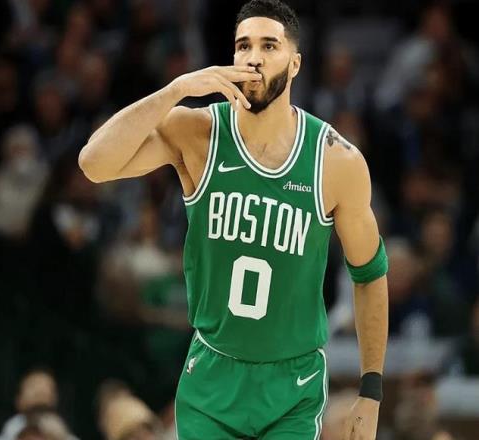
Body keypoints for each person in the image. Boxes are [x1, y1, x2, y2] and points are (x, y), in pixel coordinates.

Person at [78, 1, 389, 438]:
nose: (253, 57)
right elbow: (94, 163)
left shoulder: (336, 160)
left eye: (269, 45)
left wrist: (371, 391)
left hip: (292, 386)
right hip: (212, 377)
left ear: (295, 63)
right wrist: (175, 90)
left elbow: (369, 274)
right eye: (243, 45)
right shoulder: (198, 132)